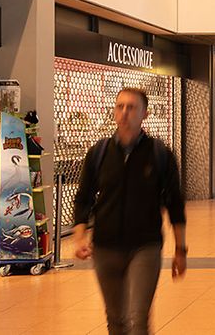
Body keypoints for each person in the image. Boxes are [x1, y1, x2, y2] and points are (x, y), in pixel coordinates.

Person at [73, 88, 187, 335]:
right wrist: (80, 237)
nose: (124, 112)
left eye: (131, 107)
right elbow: (83, 198)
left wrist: (180, 249)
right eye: (120, 106)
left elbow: (175, 204)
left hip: (144, 246)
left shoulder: (159, 154)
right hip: (105, 247)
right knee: (115, 319)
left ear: (144, 113)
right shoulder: (99, 153)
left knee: (137, 317)